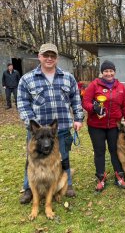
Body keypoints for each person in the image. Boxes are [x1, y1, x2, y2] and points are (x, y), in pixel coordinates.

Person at [17, 43, 84, 204]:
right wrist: (33, 126)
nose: (49, 58)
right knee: (32, 159)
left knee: (64, 157)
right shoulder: (27, 79)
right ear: (39, 57)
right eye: (45, 55)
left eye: (52, 56)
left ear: (56, 58)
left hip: (60, 129)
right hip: (38, 133)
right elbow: (23, 104)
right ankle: (28, 188)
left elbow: (76, 99)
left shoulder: (68, 77)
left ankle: (66, 184)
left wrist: (78, 118)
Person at [82, 60, 125, 191]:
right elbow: (85, 102)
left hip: (114, 126)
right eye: (106, 71)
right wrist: (94, 108)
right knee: (99, 151)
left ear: (114, 72)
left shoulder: (121, 87)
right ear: (102, 72)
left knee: (115, 151)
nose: (108, 73)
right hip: (96, 126)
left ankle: (119, 176)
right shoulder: (94, 85)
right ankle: (101, 178)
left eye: (111, 71)